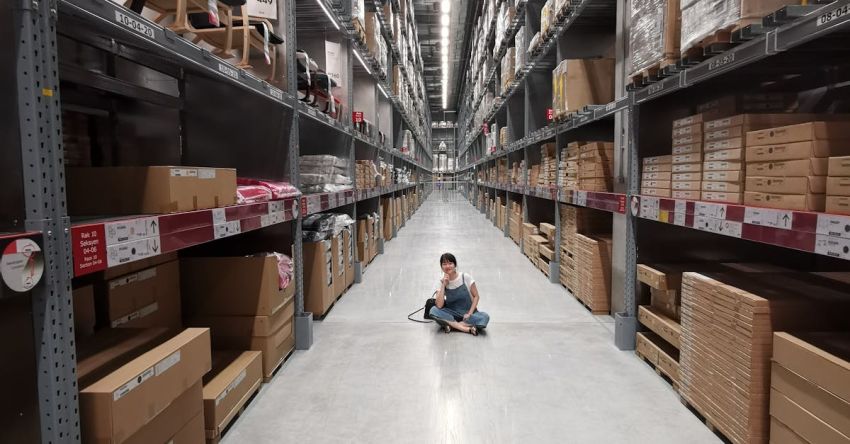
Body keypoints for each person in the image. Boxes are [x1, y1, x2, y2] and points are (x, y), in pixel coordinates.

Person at [429, 252, 490, 335]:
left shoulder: (465, 277)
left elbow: (476, 296)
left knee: (485, 317)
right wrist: (444, 285)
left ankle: (451, 325)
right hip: (452, 314)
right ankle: (467, 329)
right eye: (444, 264)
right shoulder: (440, 281)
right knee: (433, 310)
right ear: (441, 267)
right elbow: (439, 305)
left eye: (450, 263)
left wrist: (469, 313)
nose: (447, 266)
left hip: (468, 314)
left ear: (455, 265)